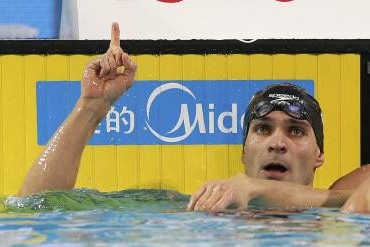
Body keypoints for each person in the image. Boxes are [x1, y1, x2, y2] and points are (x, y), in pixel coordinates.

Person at [18, 22, 370, 214]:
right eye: (262, 129)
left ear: (319, 154)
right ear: (244, 151)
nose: (277, 142)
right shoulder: (188, 208)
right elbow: (37, 206)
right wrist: (91, 107)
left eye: (296, 131)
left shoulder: (350, 202)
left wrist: (257, 189)